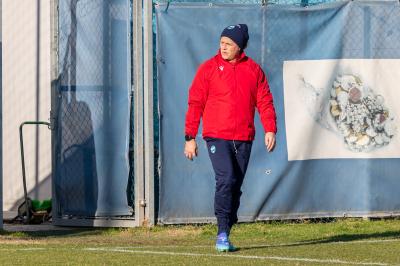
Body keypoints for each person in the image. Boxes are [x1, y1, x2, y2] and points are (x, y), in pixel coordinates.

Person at [184, 24, 277, 252]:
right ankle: (222, 232)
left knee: (235, 184)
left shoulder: (254, 70)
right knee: (225, 179)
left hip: (244, 137)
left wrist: (270, 129)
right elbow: (195, 103)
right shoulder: (208, 69)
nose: (223, 47)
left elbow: (264, 101)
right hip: (216, 136)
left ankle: (227, 228)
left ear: (239, 47)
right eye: (221, 42)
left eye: (228, 44)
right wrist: (190, 137)